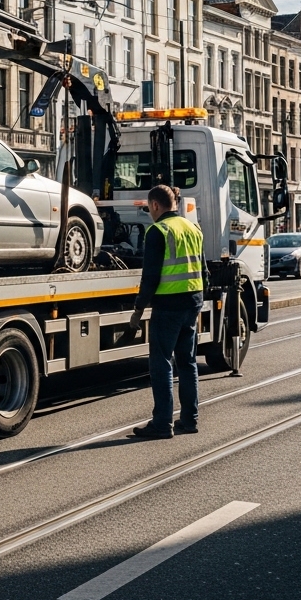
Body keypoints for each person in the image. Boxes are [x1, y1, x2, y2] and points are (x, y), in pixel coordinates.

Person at [127, 185, 205, 439]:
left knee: (161, 364)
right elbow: (203, 269)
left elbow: (150, 276)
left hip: (168, 305)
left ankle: (162, 424)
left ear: (155, 205)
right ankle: (190, 420)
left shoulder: (158, 231)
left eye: (149, 208)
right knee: (187, 362)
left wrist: (138, 309)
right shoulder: (193, 227)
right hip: (192, 301)